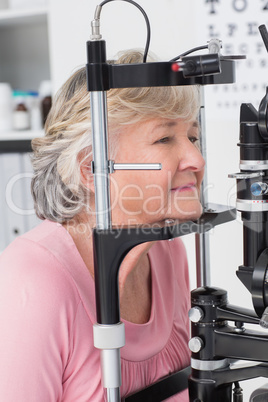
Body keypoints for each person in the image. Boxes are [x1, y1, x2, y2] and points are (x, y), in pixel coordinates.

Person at [0, 50, 205, 401]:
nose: (197, 160)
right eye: (165, 139)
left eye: (193, 137)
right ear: (92, 168)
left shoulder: (169, 250)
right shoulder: (32, 279)